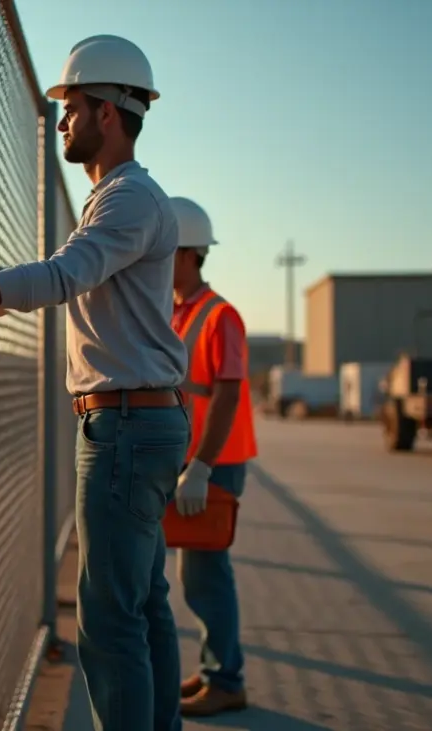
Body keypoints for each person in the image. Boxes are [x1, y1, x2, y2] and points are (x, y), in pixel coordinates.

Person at [0, 34, 189, 731]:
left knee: (109, 621)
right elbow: (61, 285)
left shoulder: (129, 200)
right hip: (136, 421)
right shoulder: (119, 204)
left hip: (124, 427)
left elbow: (56, 280)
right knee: (142, 604)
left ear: (109, 115)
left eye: (72, 109)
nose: (62, 121)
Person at [167, 197, 258, 717]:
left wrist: (200, 467)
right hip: (193, 462)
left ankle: (226, 679)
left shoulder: (220, 316)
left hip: (213, 463)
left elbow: (225, 394)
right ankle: (213, 670)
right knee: (196, 573)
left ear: (185, 255)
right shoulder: (179, 312)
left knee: (206, 572)